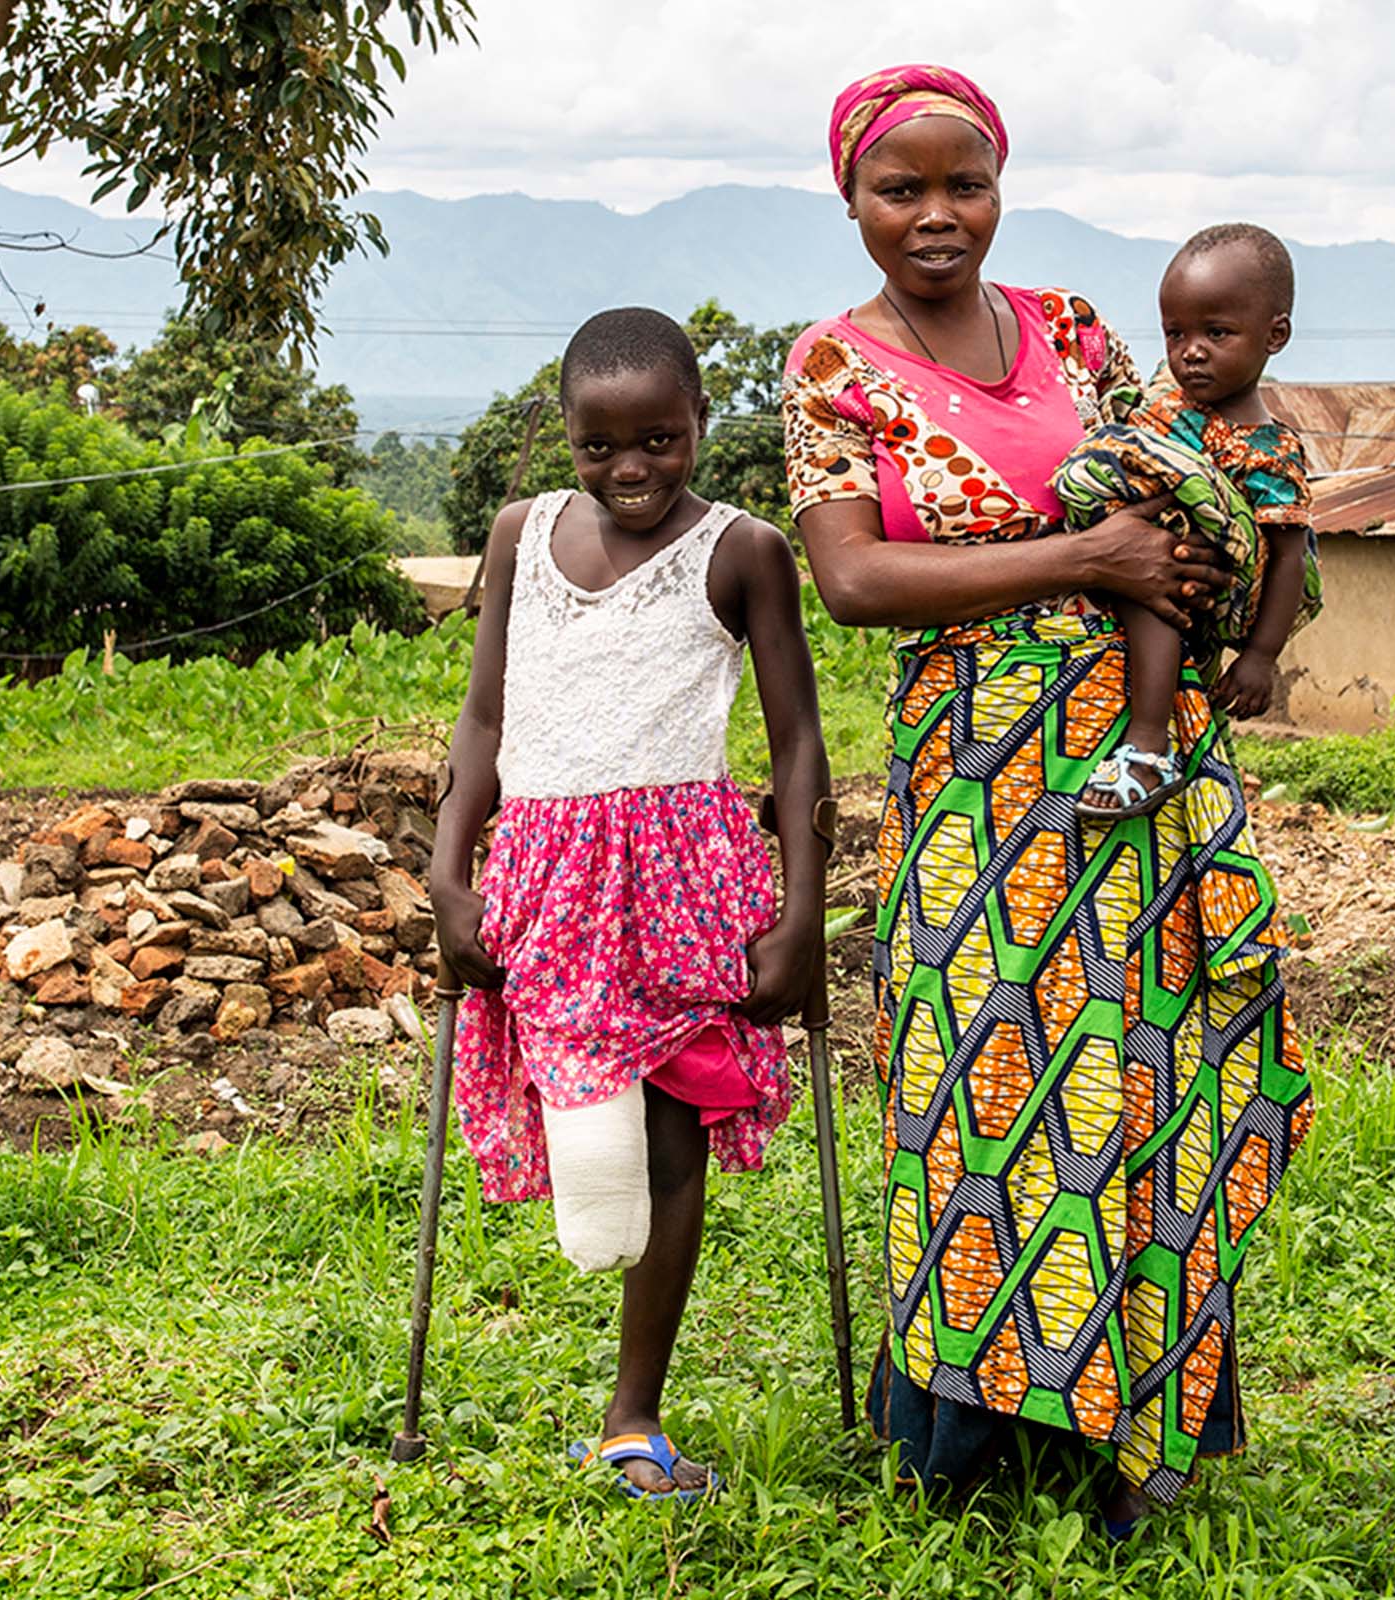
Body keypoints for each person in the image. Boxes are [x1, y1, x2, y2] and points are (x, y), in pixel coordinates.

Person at [784, 63, 1313, 1536]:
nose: (939, 216)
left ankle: (1133, 1433)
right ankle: (971, 1449)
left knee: (1141, 1069)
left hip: (1137, 752)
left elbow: (1195, 474)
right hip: (976, 761)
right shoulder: (834, 367)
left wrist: (1226, 582)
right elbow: (855, 578)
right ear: (854, 201)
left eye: (966, 185)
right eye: (904, 190)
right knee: (983, 1071)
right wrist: (1088, 561)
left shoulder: (1077, 328)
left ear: (1001, 189)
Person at [427, 306, 830, 1502]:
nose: (633, 469)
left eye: (660, 439)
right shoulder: (518, 534)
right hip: (545, 875)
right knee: (587, 1137)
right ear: (565, 439)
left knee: (668, 1136)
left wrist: (801, 917)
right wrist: (450, 873)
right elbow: (485, 718)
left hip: (684, 875)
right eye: (602, 447)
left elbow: (798, 740)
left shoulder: (742, 549)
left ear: (703, 422)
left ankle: (632, 1414)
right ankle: (619, 1381)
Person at [1056, 223, 1323, 818]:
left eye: (1217, 333)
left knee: (1161, 576)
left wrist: (1260, 657)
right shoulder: (1161, 407)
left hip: (1187, 586)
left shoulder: (1269, 452)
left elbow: (1287, 555)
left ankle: (1148, 745)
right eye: (1176, 333)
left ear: (1274, 335)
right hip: (1109, 584)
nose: (1191, 351)